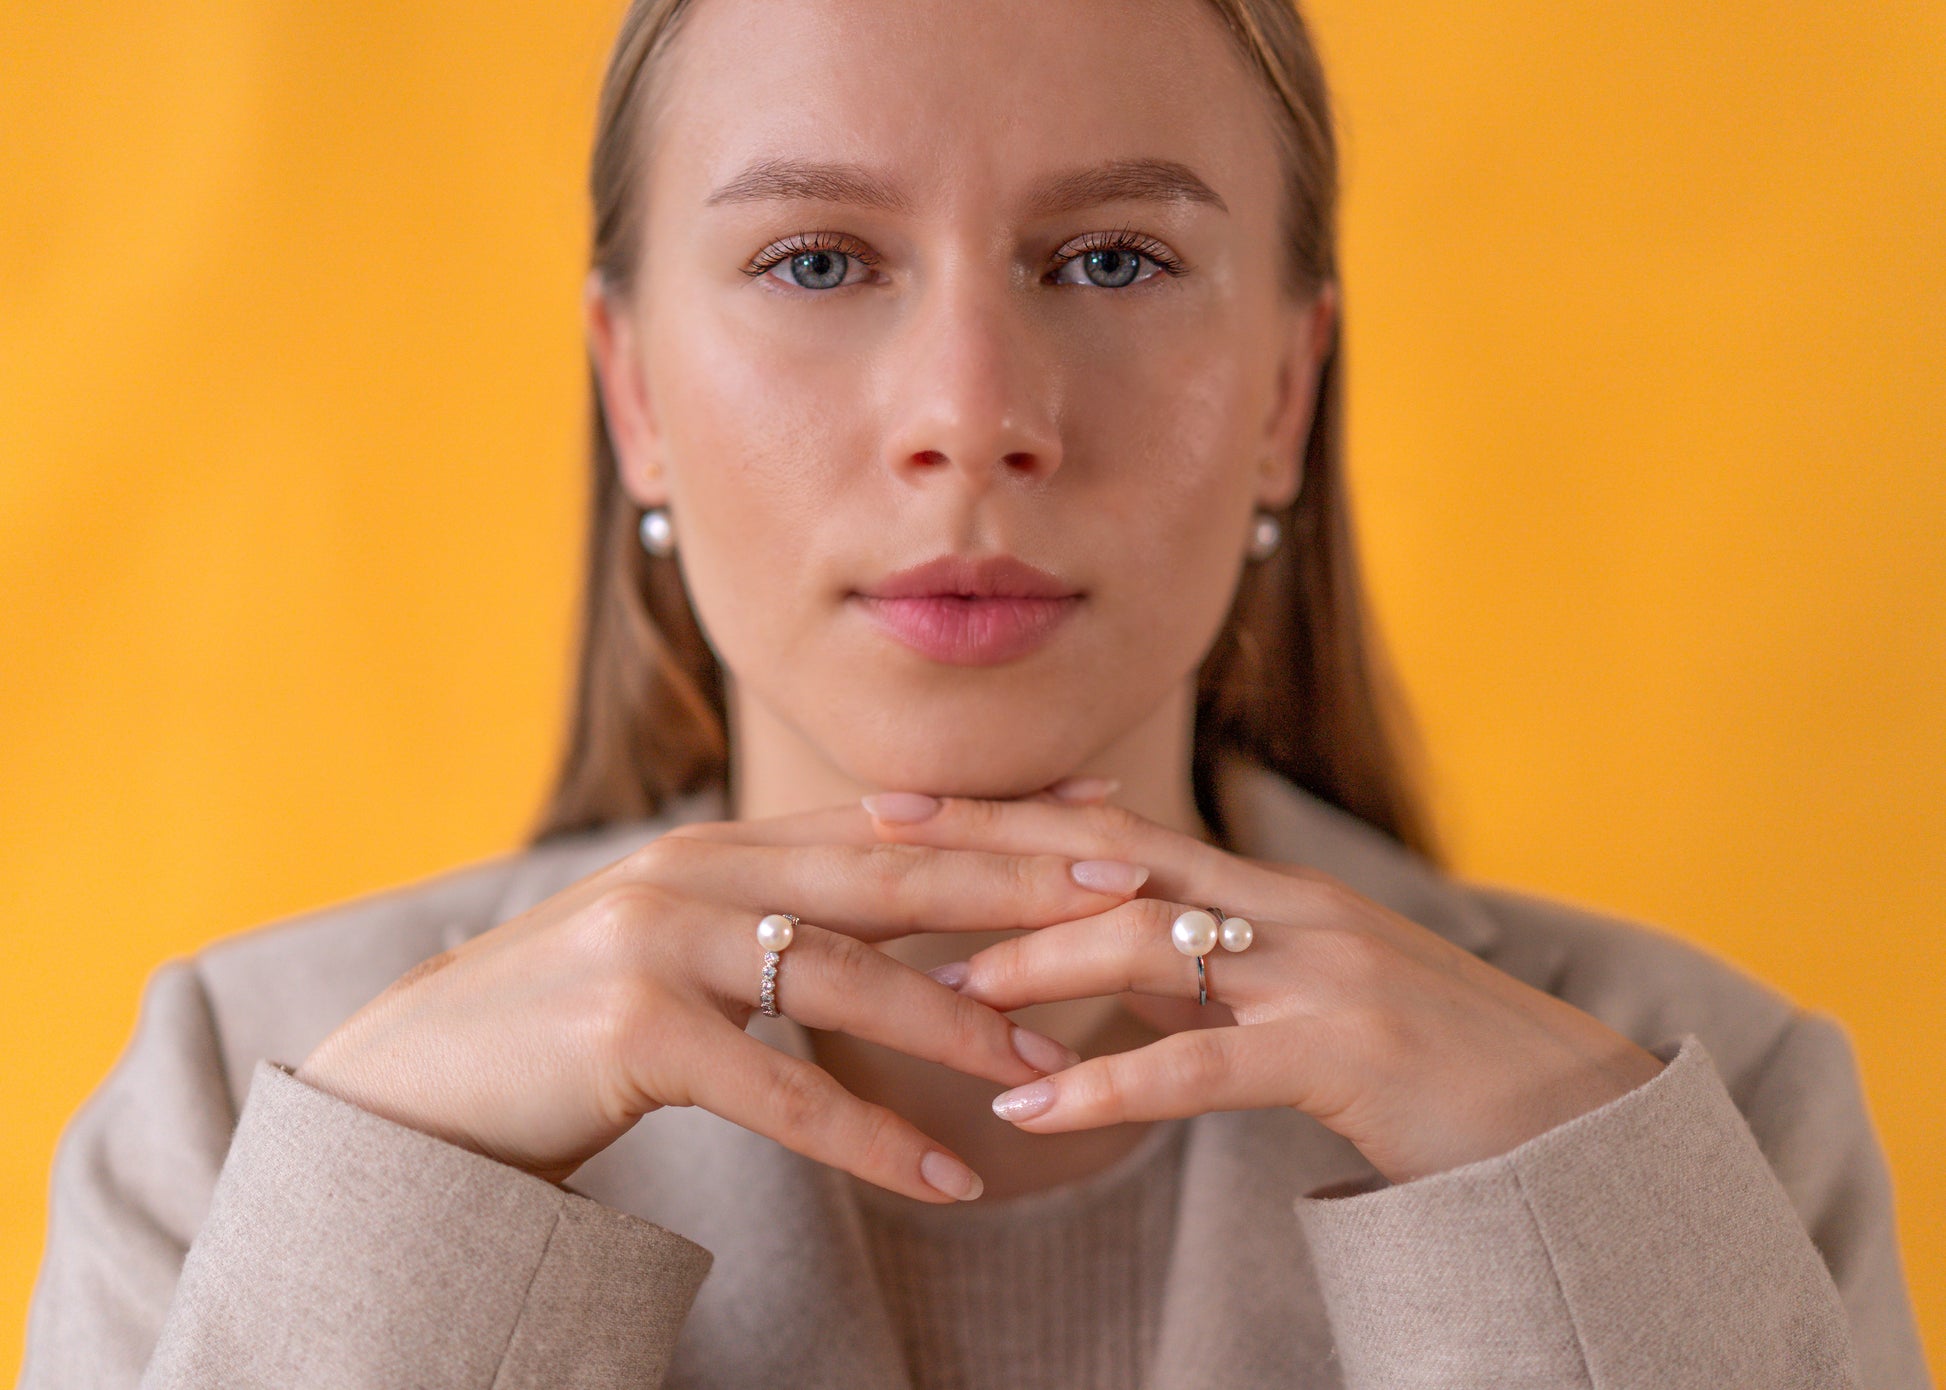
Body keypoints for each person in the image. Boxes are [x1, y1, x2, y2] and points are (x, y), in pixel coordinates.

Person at [19, 0, 1933, 1384]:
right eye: (817, 257)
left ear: (1284, 393)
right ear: (635, 396)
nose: (969, 417)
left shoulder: (1692, 1105)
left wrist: (1585, 1255)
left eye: (1109, 258)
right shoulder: (257, 1109)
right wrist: (394, 1252)